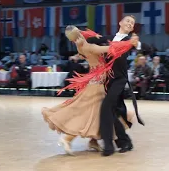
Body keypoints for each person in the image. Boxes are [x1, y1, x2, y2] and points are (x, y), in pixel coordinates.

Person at [42, 26, 138, 155]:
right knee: (87, 113)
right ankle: (67, 139)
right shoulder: (89, 47)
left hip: (97, 82)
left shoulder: (80, 46)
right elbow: (110, 48)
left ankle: (94, 141)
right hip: (96, 85)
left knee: (98, 114)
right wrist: (129, 43)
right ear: (80, 34)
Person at [87, 15, 150, 156]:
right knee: (112, 113)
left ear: (132, 28)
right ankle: (124, 141)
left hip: (119, 80)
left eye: (132, 23)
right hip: (107, 80)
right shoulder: (108, 38)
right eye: (127, 20)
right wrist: (79, 35)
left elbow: (148, 49)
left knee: (105, 108)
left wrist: (137, 44)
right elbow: (90, 40)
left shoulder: (129, 40)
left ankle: (108, 146)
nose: (129, 23)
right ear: (120, 22)